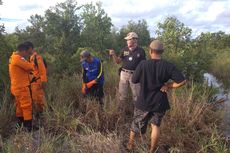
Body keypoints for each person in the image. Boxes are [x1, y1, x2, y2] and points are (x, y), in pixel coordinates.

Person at [126, 40, 187, 152]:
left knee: (136, 123)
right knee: (155, 126)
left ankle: (130, 145)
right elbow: (182, 81)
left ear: (150, 51)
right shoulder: (168, 66)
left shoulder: (143, 64)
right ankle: (152, 150)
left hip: (143, 101)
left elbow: (134, 80)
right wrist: (168, 85)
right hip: (159, 103)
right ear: (162, 51)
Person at [109, 32, 146, 113]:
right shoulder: (124, 50)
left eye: (128, 40)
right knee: (122, 95)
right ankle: (121, 113)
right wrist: (113, 55)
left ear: (134, 40)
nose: (127, 41)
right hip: (124, 74)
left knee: (136, 96)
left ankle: (137, 114)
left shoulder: (141, 51)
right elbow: (118, 61)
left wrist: (141, 75)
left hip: (135, 75)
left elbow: (144, 65)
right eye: (127, 40)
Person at [9, 43, 34, 131]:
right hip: (21, 87)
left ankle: (20, 124)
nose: (27, 55)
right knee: (27, 106)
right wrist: (27, 61)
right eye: (26, 53)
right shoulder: (18, 59)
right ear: (23, 51)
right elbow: (30, 67)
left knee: (19, 106)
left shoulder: (13, 57)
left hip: (16, 87)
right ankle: (28, 127)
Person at [24, 41, 47, 118]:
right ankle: (39, 112)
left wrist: (43, 81)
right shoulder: (31, 58)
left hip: (38, 82)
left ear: (30, 48)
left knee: (40, 98)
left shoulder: (37, 58)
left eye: (27, 49)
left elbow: (42, 70)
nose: (26, 51)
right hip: (33, 82)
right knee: (35, 99)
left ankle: (44, 113)